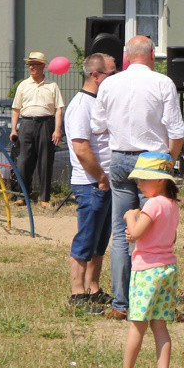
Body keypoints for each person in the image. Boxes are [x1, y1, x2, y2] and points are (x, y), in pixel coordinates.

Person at [91, 36, 184, 320]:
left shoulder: (109, 83)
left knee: (122, 233)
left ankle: (121, 303)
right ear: (152, 56)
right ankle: (156, 300)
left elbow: (97, 127)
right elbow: (177, 130)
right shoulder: (162, 82)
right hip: (152, 159)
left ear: (127, 57)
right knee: (157, 231)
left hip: (120, 157)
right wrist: (168, 162)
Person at [118, 152, 180, 368]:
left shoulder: (152, 204)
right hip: (168, 269)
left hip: (147, 272)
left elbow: (136, 233)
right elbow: (169, 236)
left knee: (137, 324)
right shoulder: (173, 206)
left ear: (161, 180)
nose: (139, 183)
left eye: (144, 179)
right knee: (160, 324)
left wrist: (130, 217)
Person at [65, 53, 117, 313]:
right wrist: (101, 177)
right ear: (95, 75)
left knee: (101, 238)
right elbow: (82, 148)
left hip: (104, 182)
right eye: (112, 73)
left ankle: (92, 288)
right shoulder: (81, 105)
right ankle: (77, 294)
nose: (115, 78)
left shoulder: (99, 102)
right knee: (86, 237)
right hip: (91, 183)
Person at [9, 51, 65, 207]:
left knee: (45, 161)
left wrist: (57, 130)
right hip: (26, 124)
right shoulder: (23, 85)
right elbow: (15, 109)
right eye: (29, 65)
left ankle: (44, 198)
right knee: (23, 161)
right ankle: (22, 196)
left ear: (42, 66)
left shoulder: (52, 85)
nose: (31, 67)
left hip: (46, 124)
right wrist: (14, 129)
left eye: (34, 64)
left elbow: (59, 109)